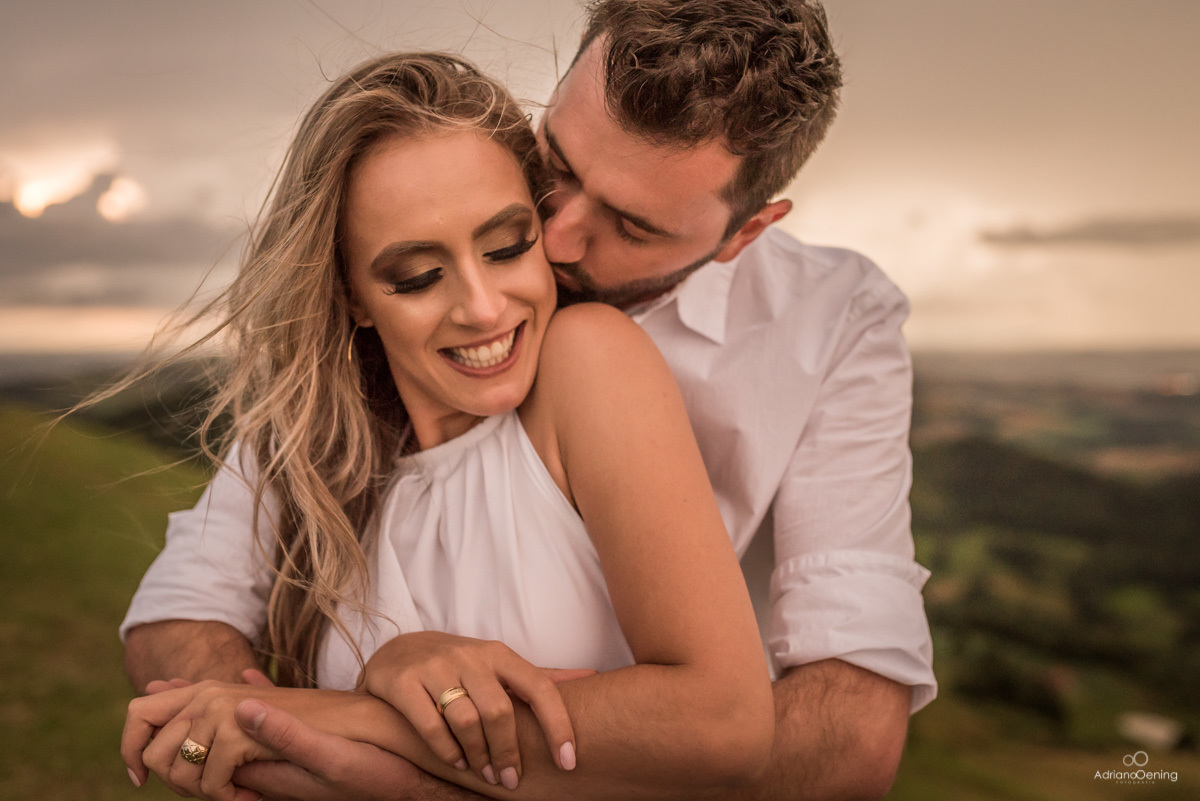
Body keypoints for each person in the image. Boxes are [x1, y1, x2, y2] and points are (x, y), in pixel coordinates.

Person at [125, 1, 938, 799]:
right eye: (558, 167)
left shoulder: (829, 320)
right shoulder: (429, 236)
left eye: (632, 226)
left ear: (744, 233)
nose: (555, 239)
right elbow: (183, 613)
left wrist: (384, 749)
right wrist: (243, 735)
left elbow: (843, 735)